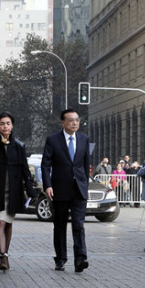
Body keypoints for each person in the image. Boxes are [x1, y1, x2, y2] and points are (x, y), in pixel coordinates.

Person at [0, 112, 36, 271]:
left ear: (12, 126)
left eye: (8, 123)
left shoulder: (18, 146)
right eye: (2, 123)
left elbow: (25, 170)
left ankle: (6, 252)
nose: (5, 126)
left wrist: (31, 191)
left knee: (8, 224)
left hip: (13, 191)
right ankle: (3, 256)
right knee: (0, 222)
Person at [41, 109, 91, 273]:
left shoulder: (84, 139)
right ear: (62, 122)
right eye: (70, 120)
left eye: (77, 120)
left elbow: (85, 165)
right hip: (59, 190)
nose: (74, 123)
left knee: (79, 225)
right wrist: (48, 185)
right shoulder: (53, 140)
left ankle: (80, 259)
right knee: (60, 226)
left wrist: (85, 184)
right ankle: (60, 259)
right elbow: (45, 165)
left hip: (78, 190)